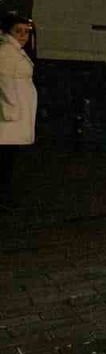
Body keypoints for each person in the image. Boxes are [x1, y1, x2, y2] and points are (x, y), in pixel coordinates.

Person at [0, 13, 36, 208]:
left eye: (26, 32)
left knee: (9, 155)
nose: (23, 36)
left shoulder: (15, 51)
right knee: (6, 156)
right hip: (10, 115)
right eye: (18, 31)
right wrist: (12, 109)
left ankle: (5, 194)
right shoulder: (6, 51)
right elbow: (5, 81)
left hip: (15, 112)